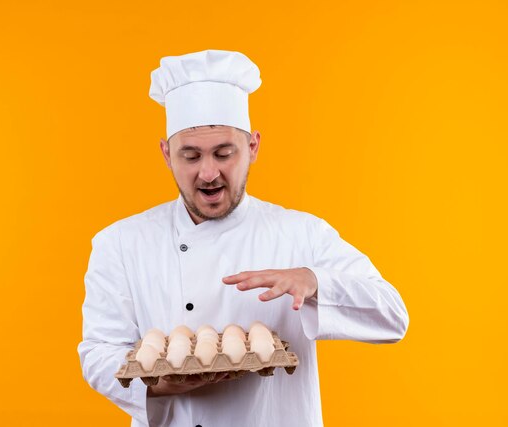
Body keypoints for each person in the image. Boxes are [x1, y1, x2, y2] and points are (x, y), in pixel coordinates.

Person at [77, 49, 409, 427]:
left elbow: (393, 317)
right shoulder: (121, 243)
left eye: (223, 153)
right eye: (190, 156)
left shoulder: (302, 233)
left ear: (252, 148)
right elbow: (98, 354)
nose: (207, 173)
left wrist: (315, 281)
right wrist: (158, 385)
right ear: (166, 155)